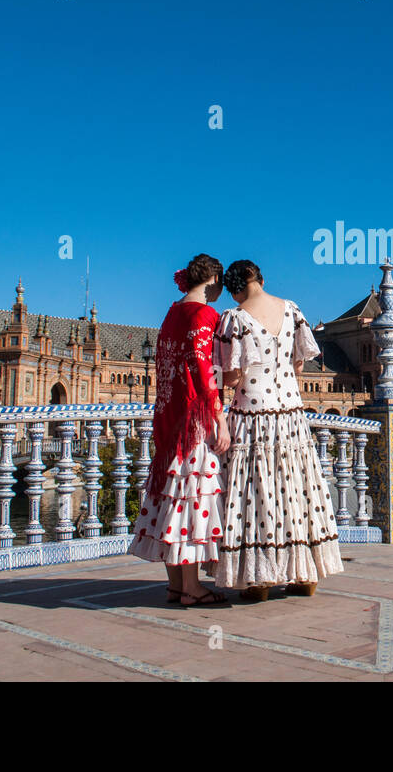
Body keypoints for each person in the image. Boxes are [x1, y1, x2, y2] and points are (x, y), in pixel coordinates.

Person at [212, 259, 343, 601]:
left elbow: (233, 376)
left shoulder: (234, 318)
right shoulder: (292, 310)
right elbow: (299, 363)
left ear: (233, 288)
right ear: (261, 279)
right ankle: (303, 574)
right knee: (295, 489)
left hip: (252, 414)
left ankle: (259, 580)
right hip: (291, 413)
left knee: (257, 493)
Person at [127, 254, 231, 606]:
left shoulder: (172, 313)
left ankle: (175, 585)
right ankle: (192, 588)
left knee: (171, 495)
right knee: (193, 497)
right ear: (214, 278)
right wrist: (219, 416)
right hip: (192, 419)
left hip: (167, 416)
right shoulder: (204, 314)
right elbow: (203, 370)